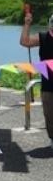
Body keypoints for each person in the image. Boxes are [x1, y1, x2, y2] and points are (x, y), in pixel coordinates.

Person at [20, 12, 53, 149]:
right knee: (50, 114)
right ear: (50, 24)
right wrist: (27, 24)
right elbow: (25, 42)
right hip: (48, 84)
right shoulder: (43, 37)